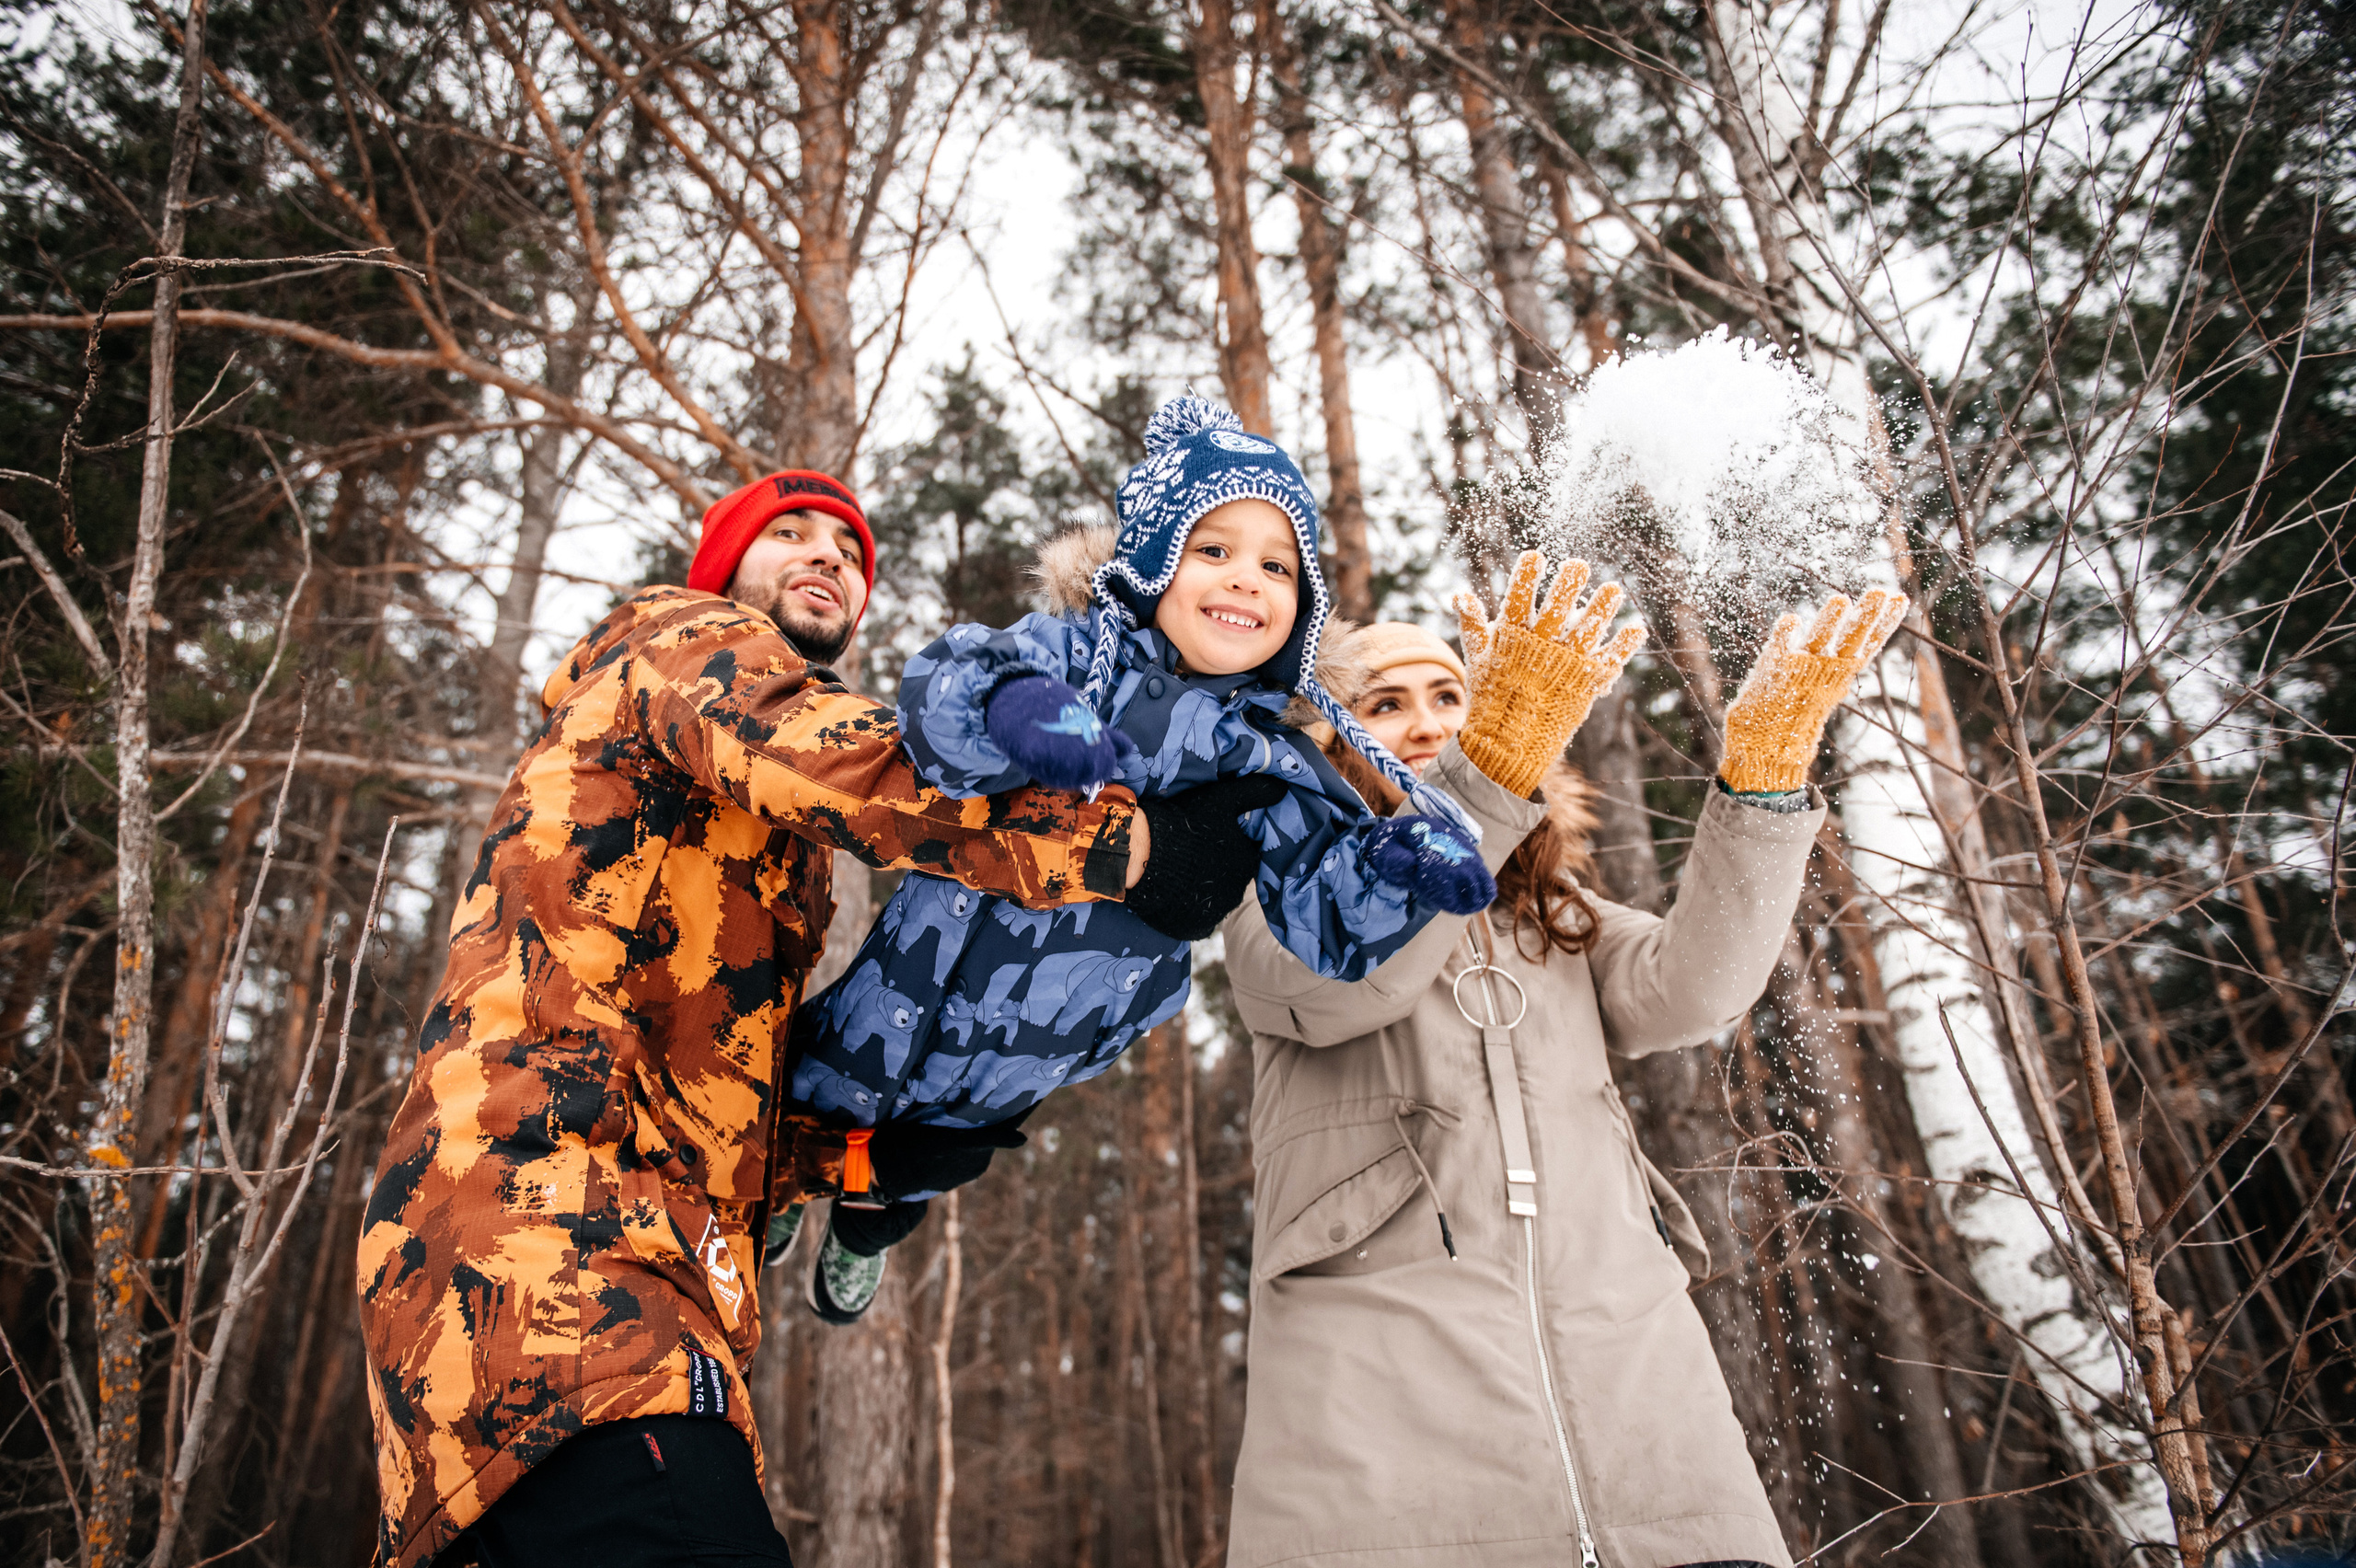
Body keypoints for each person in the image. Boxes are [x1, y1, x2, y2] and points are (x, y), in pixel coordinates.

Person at [356, 467, 1271, 1568]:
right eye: (788, 534)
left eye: (848, 549)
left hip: (622, 1273)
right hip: (545, 1232)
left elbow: (710, 1093)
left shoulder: (749, 844)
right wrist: (1132, 850)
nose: (827, 555)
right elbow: (845, 758)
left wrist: (861, 1160)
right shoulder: (678, 641)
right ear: (724, 572)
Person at [1220, 555, 1906, 1568]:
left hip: (1636, 1402)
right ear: (1328, 746)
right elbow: (1338, 991)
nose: (1426, 722)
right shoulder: (1276, 901)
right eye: (1387, 703)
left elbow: (1695, 990)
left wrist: (1761, 785)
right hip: (1384, 1427)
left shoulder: (1554, 917)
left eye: (1455, 696)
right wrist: (1485, 779)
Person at [775, 393, 1494, 1324]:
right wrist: (1015, 711)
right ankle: (783, 1196)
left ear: (1302, 603)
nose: (1246, 581)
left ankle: (863, 1231)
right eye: (1215, 551)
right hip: (911, 974)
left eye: (1277, 565)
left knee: (923, 1167)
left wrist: (1394, 866)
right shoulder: (1069, 654)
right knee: (815, 1104)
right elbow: (944, 683)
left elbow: (1322, 921)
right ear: (1154, 563)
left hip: (1044, 1034)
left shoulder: (1272, 761)